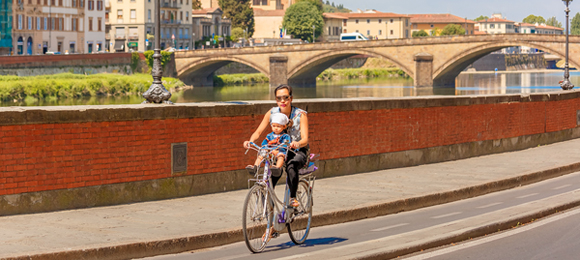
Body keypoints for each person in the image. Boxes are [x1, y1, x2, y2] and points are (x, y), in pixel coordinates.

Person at [243, 84, 309, 209]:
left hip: (296, 150)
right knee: (269, 177)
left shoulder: (300, 115)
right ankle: (271, 217)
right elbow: (258, 132)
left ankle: (293, 198)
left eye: (285, 97)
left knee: (291, 166)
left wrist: (297, 143)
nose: (282, 101)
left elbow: (305, 139)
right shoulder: (272, 112)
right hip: (278, 149)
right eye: (279, 98)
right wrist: (250, 141)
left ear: (291, 98)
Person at [246, 113, 291, 177]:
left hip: (278, 151)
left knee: (281, 156)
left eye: (278, 126)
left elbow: (286, 144)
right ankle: (255, 167)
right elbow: (264, 143)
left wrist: (279, 149)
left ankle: (277, 168)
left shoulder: (285, 136)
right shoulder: (269, 135)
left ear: (284, 126)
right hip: (269, 151)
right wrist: (263, 148)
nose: (276, 128)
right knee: (261, 155)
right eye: (274, 126)